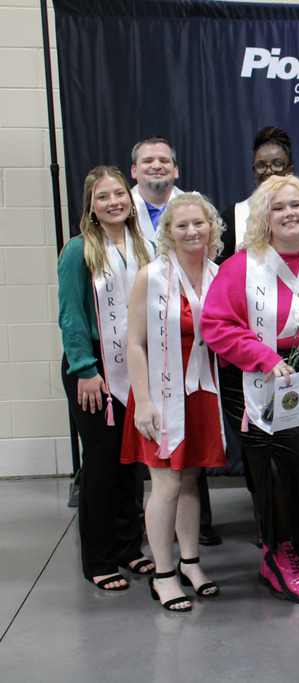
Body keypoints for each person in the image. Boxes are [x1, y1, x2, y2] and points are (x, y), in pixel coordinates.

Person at [201, 174, 299, 603]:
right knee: (278, 469)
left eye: (296, 205)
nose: (288, 213)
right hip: (254, 379)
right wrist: (265, 359)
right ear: (264, 217)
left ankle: (283, 550)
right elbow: (215, 325)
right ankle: (284, 556)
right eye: (278, 207)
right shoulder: (241, 266)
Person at [122, 193, 226, 611]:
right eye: (181, 225)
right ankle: (163, 574)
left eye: (198, 223)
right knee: (164, 484)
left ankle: (190, 563)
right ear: (168, 232)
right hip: (160, 394)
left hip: (201, 391)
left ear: (212, 227)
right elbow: (133, 344)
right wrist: (143, 401)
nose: (191, 231)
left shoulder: (221, 275)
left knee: (189, 480)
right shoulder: (152, 276)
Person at [57, 166, 155, 590]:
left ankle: (129, 548)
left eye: (119, 193)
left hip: (137, 364)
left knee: (131, 462)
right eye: (103, 197)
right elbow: (71, 315)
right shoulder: (78, 250)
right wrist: (84, 369)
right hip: (92, 368)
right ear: (91, 207)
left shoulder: (148, 247)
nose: (114, 201)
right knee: (100, 464)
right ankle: (99, 558)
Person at [219, 126, 299, 262]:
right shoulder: (235, 215)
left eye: (277, 164)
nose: (269, 171)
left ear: (291, 169)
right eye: (261, 165)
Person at [130, 135, 183, 241]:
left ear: (175, 170)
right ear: (134, 171)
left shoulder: (196, 207)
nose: (157, 166)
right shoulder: (121, 210)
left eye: (164, 161)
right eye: (148, 161)